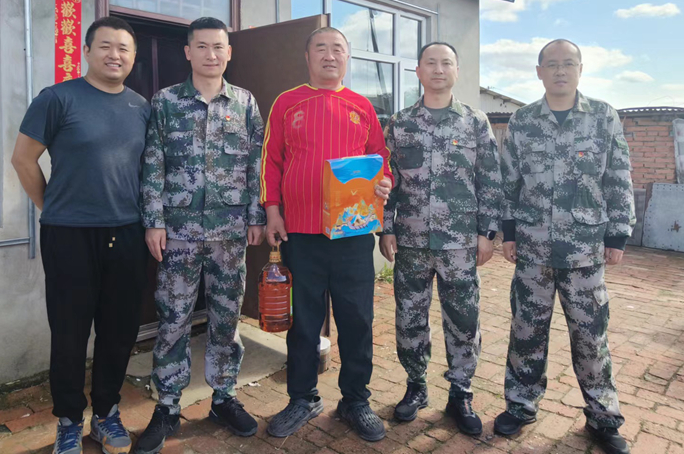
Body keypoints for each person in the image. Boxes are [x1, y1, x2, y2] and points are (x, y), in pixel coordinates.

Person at [11, 17, 150, 454]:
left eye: (123, 48)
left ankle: (106, 414)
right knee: (69, 332)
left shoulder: (141, 107)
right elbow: (23, 159)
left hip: (127, 233)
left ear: (133, 57)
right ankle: (69, 420)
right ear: (86, 51)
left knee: (119, 330)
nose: (115, 55)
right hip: (69, 235)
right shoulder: (57, 98)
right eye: (105, 46)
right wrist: (52, 207)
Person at [493, 39, 635, 454]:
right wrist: (509, 234)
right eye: (552, 64)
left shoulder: (603, 117)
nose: (560, 71)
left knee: (591, 337)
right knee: (526, 331)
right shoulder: (522, 120)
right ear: (539, 72)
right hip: (533, 248)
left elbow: (618, 177)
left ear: (580, 69)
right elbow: (509, 181)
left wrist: (617, 235)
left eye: (568, 64)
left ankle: (603, 418)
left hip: (585, 250)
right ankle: (520, 405)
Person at [135, 17, 266, 453]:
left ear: (229, 52)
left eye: (219, 46)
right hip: (179, 233)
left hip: (230, 232)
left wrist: (256, 216)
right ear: (188, 52)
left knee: (226, 318)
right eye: (203, 46)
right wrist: (154, 221)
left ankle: (224, 396)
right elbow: (153, 163)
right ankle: (167, 405)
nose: (212, 54)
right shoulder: (166, 101)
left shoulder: (245, 102)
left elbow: (255, 165)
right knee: (173, 318)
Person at [262, 27, 393, 442]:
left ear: (347, 58)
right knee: (304, 322)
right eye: (321, 48)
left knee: (357, 319)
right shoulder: (287, 102)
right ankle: (302, 398)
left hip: (352, 232)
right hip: (300, 232)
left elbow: (381, 160)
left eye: (338, 49)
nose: (330, 55)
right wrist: (272, 211)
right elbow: (271, 161)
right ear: (307, 57)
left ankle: (355, 399)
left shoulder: (362, 106)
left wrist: (384, 183)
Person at [380, 42, 504, 435]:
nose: (438, 69)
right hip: (411, 241)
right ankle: (415, 385)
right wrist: (386, 228)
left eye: (446, 63)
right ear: (418, 71)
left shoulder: (474, 122)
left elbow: (490, 180)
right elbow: (386, 181)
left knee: (464, 319)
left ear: (456, 71)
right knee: (409, 317)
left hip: (460, 244)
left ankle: (460, 392)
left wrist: (487, 234)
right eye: (430, 63)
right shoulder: (400, 123)